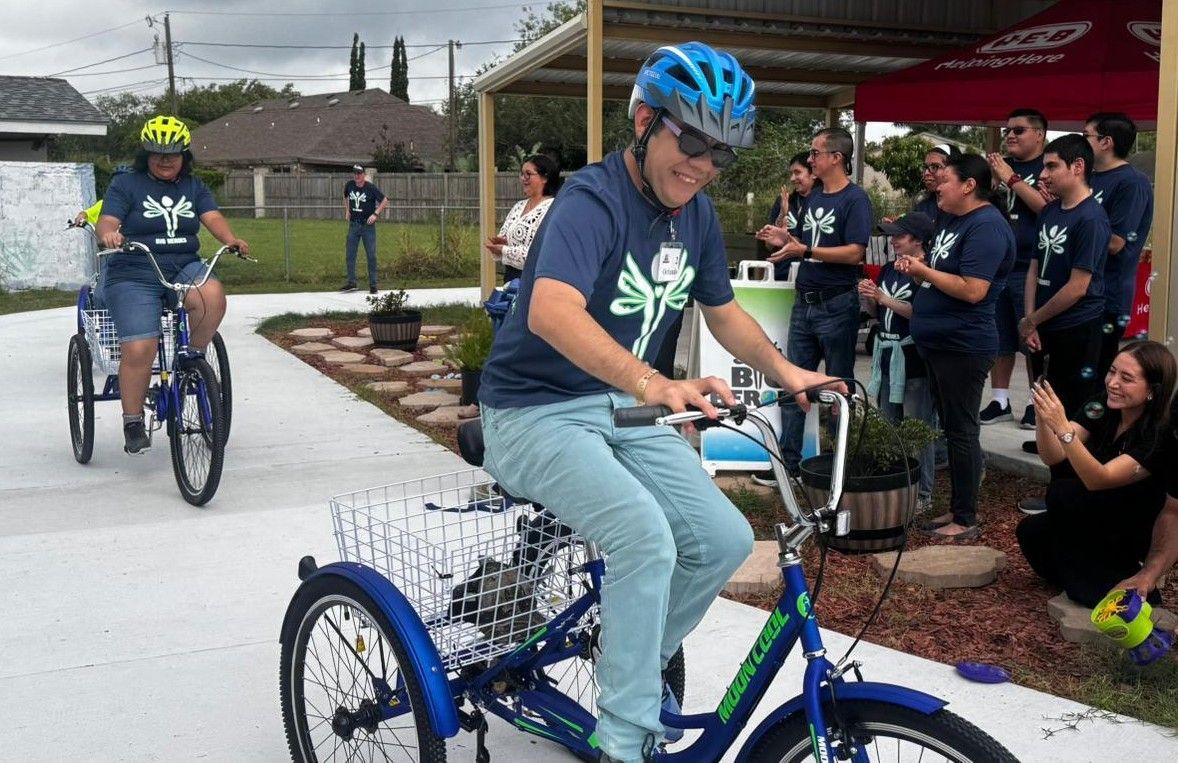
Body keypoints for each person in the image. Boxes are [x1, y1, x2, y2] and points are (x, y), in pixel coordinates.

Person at [476, 42, 842, 763]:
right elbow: (550, 310)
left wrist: (787, 369)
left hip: (619, 410)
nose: (703, 164)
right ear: (645, 120)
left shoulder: (696, 214)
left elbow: (725, 311)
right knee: (646, 537)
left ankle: (628, 661)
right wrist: (653, 382)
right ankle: (623, 736)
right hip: (531, 412)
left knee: (725, 539)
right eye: (693, 140)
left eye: (722, 154)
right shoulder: (591, 198)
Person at [95, 115, 250, 455]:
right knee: (140, 347)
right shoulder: (125, 184)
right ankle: (133, 420)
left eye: (173, 154)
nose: (165, 160)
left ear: (184, 155)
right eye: (157, 153)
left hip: (183, 265)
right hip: (134, 270)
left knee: (212, 294)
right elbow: (108, 218)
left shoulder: (194, 186)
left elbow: (212, 218)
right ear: (145, 155)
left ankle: (190, 362)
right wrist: (108, 233)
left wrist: (231, 239)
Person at [899, 153, 1015, 540]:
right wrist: (919, 271)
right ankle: (955, 508)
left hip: (962, 346)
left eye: (945, 178)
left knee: (962, 431)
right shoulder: (949, 219)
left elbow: (973, 289)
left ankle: (965, 518)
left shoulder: (987, 227)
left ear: (968, 185)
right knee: (949, 428)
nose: (937, 184)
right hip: (936, 341)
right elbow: (940, 274)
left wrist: (923, 270)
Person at [1017, 341, 1175, 607]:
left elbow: (1099, 478)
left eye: (1126, 378)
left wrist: (1063, 428)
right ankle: (1084, 575)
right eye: (1112, 372)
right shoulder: (1104, 404)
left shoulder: (1158, 432)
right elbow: (1053, 455)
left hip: (1132, 523)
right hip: (1096, 514)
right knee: (1032, 532)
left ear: (1151, 391)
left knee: (1064, 494)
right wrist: (1045, 421)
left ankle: (1108, 583)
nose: (1113, 383)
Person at [757, 127, 872, 477]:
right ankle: (789, 466)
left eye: (815, 153)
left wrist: (803, 248)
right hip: (804, 303)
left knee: (841, 387)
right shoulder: (816, 198)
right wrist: (786, 239)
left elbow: (855, 252)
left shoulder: (856, 199)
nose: (810, 159)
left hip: (837, 304)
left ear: (836, 158)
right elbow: (806, 243)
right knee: (794, 383)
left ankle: (841, 469)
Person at [858, 211, 937, 511]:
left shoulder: (926, 270)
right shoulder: (890, 268)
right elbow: (878, 312)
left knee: (917, 427)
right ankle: (895, 483)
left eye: (899, 236)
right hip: (888, 353)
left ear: (917, 240)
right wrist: (868, 297)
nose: (893, 241)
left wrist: (884, 299)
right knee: (890, 424)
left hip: (913, 357)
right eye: (891, 236)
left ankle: (923, 493)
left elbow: (921, 313)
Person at [981, 108, 1050, 429]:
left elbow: (1046, 208)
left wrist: (1010, 177)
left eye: (1019, 130)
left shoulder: (1048, 166)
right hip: (999, 267)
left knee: (1032, 339)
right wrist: (993, 180)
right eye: (1008, 130)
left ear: (1039, 134)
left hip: (1031, 267)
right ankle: (1000, 399)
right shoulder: (1000, 168)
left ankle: (1038, 402)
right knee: (1000, 337)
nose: (1010, 135)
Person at [1085, 112, 1155, 376]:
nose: (1083, 142)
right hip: (1079, 292)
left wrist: (1073, 231)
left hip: (1107, 295)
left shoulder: (1131, 182)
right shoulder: (1087, 178)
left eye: (1086, 136)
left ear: (1106, 142)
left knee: (1097, 375)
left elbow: (1116, 242)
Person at [486, 154, 561, 283]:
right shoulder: (518, 206)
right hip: (511, 280)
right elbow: (513, 242)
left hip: (535, 281)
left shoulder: (553, 210)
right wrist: (503, 243)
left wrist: (505, 250)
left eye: (528, 174)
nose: (523, 178)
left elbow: (542, 254)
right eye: (522, 174)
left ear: (544, 178)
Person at [759, 151, 817, 281]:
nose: (792, 178)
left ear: (813, 173)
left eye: (797, 172)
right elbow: (769, 245)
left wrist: (787, 238)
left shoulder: (823, 202)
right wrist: (782, 215)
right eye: (791, 173)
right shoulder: (785, 201)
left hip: (810, 276)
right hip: (781, 274)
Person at [341, 164, 389, 294]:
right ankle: (352, 283)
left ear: (364, 175)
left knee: (371, 255)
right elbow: (345, 196)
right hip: (354, 225)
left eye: (359, 173)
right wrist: (347, 210)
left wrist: (376, 213)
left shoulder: (370, 188)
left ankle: (373, 285)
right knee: (350, 254)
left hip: (367, 226)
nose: (357, 176)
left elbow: (384, 200)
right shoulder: (349, 185)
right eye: (355, 174)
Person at [912, 145, 952, 221]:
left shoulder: (962, 209)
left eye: (934, 167)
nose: (926, 173)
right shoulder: (922, 208)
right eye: (925, 168)